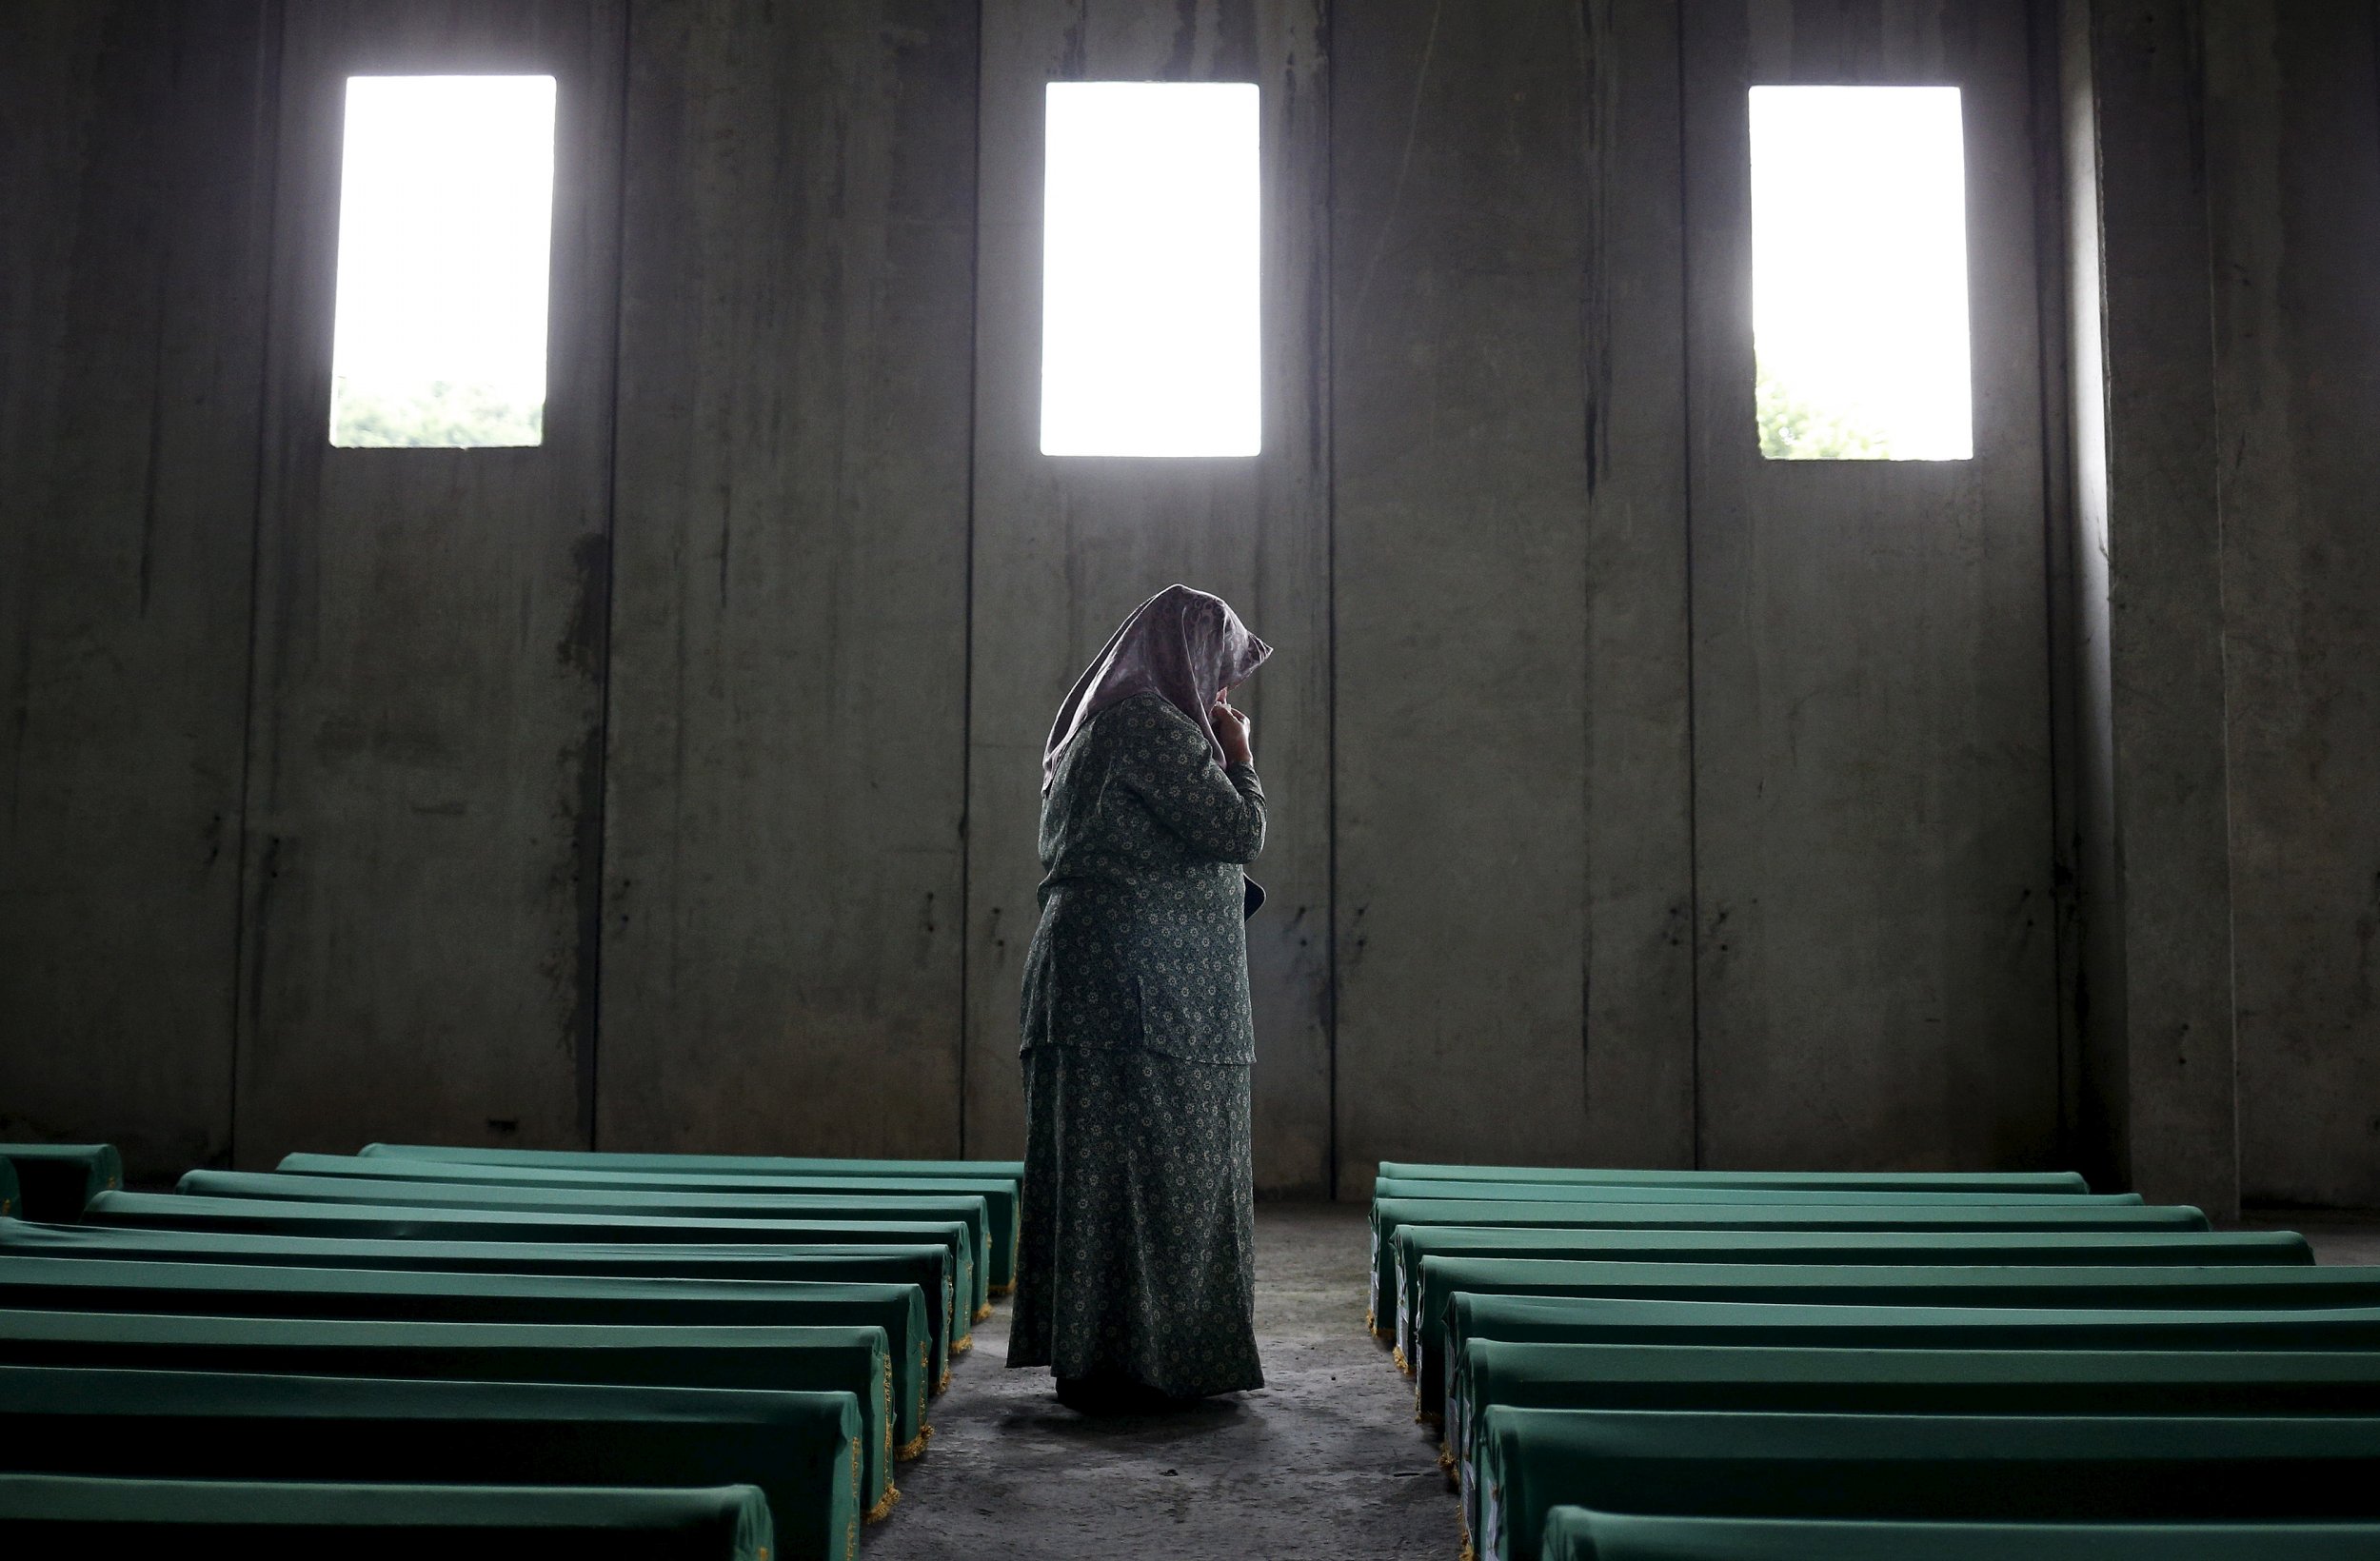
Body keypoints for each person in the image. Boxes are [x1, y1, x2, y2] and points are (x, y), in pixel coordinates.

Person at [1005, 583, 1271, 1413]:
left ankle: (1104, 1359)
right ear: (1184, 661)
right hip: (1146, 998)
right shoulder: (1152, 725)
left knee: (1106, 1172)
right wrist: (1241, 755)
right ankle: (1155, 1365)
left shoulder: (1095, 727)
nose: (1224, 695)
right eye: (1219, 674)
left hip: (1108, 986)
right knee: (1159, 1172)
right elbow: (1237, 832)